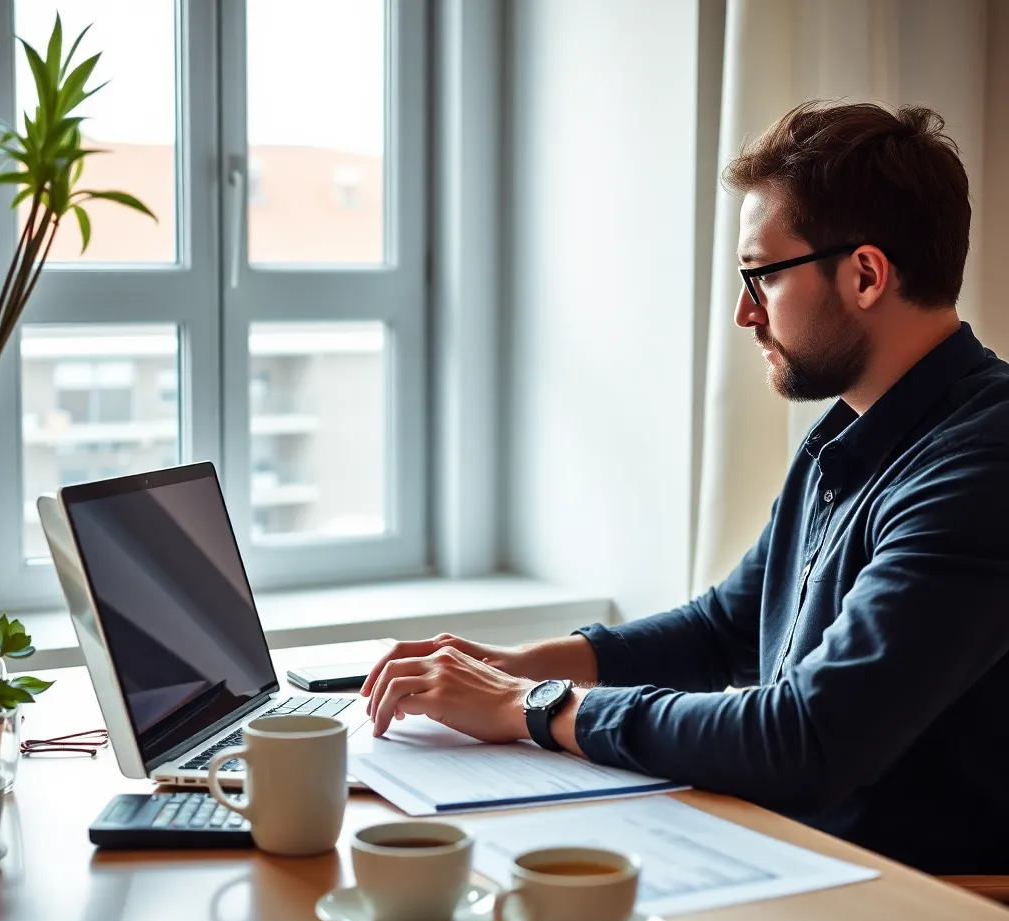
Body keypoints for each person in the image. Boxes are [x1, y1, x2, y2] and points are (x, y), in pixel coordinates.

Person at [361, 101, 1009, 876]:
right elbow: (722, 630)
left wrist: (529, 708)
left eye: (763, 276)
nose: (744, 312)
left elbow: (807, 737)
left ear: (865, 275)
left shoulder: (984, 464)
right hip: (803, 856)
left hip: (921, 900)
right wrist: (520, 666)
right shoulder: (847, 434)